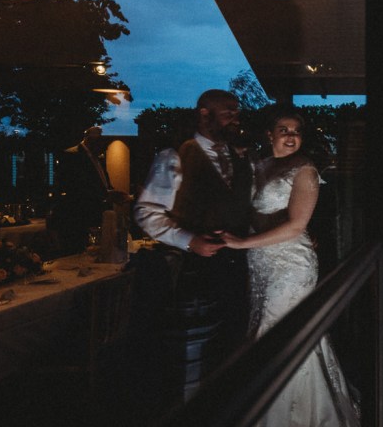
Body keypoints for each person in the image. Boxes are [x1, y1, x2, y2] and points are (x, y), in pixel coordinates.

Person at [217, 108, 360, 427]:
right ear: (270, 134)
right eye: (283, 130)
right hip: (260, 265)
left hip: (290, 267)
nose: (291, 136)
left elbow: (296, 225)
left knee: (276, 341)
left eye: (296, 131)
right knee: (265, 338)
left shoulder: (305, 170)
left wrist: (242, 243)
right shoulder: (259, 165)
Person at [133, 89, 254, 357]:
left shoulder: (243, 157)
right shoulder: (175, 155)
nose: (236, 119)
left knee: (233, 344)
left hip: (237, 271)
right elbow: (146, 211)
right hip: (194, 272)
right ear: (204, 114)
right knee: (195, 349)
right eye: (229, 112)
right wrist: (189, 241)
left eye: (237, 112)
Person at [47, 126, 130, 256]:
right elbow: (73, 188)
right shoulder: (71, 156)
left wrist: (111, 193)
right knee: (79, 255)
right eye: (102, 142)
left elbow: (101, 183)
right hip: (79, 218)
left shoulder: (97, 158)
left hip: (97, 214)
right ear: (92, 141)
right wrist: (106, 195)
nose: (106, 147)